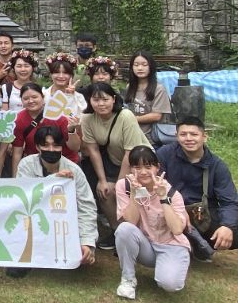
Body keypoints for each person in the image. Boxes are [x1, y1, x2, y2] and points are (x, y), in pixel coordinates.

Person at [16, 125, 97, 273]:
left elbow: (87, 207)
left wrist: (87, 242)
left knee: (79, 255)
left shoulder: (74, 170)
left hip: (64, 224)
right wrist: (53, 181)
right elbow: (25, 200)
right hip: (36, 222)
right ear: (38, 147)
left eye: (56, 145)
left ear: (62, 147)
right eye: (45, 145)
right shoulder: (26, 165)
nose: (51, 150)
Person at [81, 82, 151, 250]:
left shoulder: (125, 116)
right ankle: (118, 231)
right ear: (89, 101)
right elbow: (94, 151)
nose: (101, 104)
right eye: (96, 100)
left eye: (105, 99)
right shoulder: (87, 119)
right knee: (104, 191)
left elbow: (130, 153)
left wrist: (120, 185)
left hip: (140, 163)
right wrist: (102, 180)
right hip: (113, 162)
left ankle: (144, 232)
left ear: (113, 99)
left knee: (124, 193)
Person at [114, 146, 189, 299]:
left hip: (171, 245)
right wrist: (134, 193)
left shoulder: (171, 192)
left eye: (148, 166)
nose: (142, 172)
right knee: (124, 229)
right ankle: (128, 279)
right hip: (146, 245)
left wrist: (163, 198)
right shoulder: (124, 186)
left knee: (169, 284)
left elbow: (177, 230)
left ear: (157, 168)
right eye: (137, 167)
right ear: (130, 168)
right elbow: (131, 222)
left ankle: (173, 265)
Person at [157, 116, 238, 259]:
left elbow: (229, 201)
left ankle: (198, 244)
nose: (188, 138)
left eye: (194, 134)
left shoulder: (217, 166)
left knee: (231, 228)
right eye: (183, 134)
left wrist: (227, 226)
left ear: (204, 137)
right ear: (176, 136)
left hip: (203, 217)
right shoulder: (164, 155)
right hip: (170, 213)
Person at [11, 82, 81, 177]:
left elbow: (75, 147)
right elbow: (17, 151)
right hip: (36, 167)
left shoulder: (58, 115)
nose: (30, 101)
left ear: (43, 97)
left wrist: (71, 130)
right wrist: (15, 179)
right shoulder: (19, 119)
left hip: (64, 164)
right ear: (21, 101)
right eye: (26, 98)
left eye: (34, 97)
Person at [123, 51, 172, 146]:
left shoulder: (159, 89)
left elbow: (156, 116)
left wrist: (132, 119)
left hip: (151, 139)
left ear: (151, 67)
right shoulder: (129, 87)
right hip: (131, 136)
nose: (140, 68)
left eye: (144, 65)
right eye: (136, 65)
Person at [43, 52, 88, 116]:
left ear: (71, 75)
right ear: (50, 75)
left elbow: (79, 118)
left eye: (65, 72)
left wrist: (70, 96)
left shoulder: (78, 97)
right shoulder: (43, 94)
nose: (61, 76)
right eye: (56, 72)